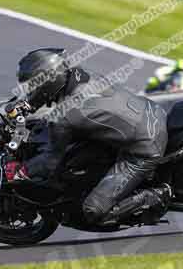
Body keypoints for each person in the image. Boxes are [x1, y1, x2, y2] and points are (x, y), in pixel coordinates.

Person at [9, 48, 172, 226]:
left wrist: (23, 170)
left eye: (33, 85)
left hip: (144, 148)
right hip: (149, 112)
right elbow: (49, 91)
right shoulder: (79, 75)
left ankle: (155, 195)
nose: (31, 90)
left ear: (47, 81)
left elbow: (49, 162)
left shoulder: (65, 117)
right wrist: (25, 106)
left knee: (94, 212)